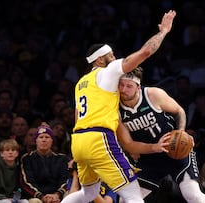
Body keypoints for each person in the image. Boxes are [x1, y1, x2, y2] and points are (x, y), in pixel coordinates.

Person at [61, 10, 177, 203]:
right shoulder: (108, 71)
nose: (114, 58)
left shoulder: (81, 83)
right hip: (99, 139)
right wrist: (163, 32)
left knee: (88, 193)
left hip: (79, 140)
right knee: (133, 195)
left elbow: (76, 117)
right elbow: (145, 52)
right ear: (99, 60)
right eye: (111, 55)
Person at [118, 67, 205, 203]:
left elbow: (179, 111)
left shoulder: (154, 95)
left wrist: (181, 132)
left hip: (175, 151)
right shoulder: (115, 108)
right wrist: (154, 147)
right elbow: (128, 144)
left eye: (128, 86)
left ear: (138, 86)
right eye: (121, 85)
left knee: (193, 196)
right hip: (148, 159)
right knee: (126, 200)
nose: (123, 90)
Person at [20, 124, 69, 203]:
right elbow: (26, 182)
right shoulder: (27, 159)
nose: (44, 140)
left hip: (58, 196)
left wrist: (57, 194)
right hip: (36, 197)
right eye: (41, 137)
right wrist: (42, 197)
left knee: (70, 196)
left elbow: (65, 180)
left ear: (52, 140)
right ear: (36, 140)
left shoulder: (62, 159)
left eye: (47, 137)